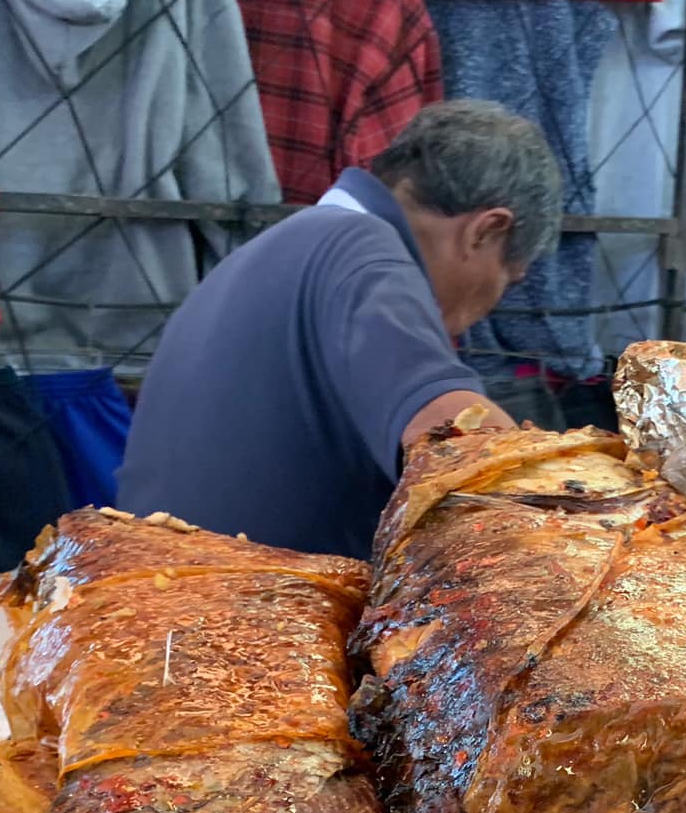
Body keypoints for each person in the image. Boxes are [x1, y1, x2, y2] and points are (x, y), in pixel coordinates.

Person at [114, 100, 563, 557]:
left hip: (156, 594)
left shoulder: (284, 247)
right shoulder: (365, 253)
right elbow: (463, 439)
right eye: (509, 279)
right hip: (227, 611)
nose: (494, 301)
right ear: (486, 231)